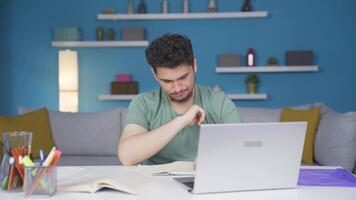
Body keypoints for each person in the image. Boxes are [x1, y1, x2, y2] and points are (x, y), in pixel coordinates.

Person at [118, 33, 242, 166]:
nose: (177, 88)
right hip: (155, 184)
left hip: (205, 179)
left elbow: (242, 148)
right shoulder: (143, 103)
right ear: (155, 74)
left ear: (194, 65)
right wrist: (182, 121)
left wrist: (212, 159)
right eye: (167, 81)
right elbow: (127, 156)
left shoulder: (219, 102)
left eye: (183, 77)